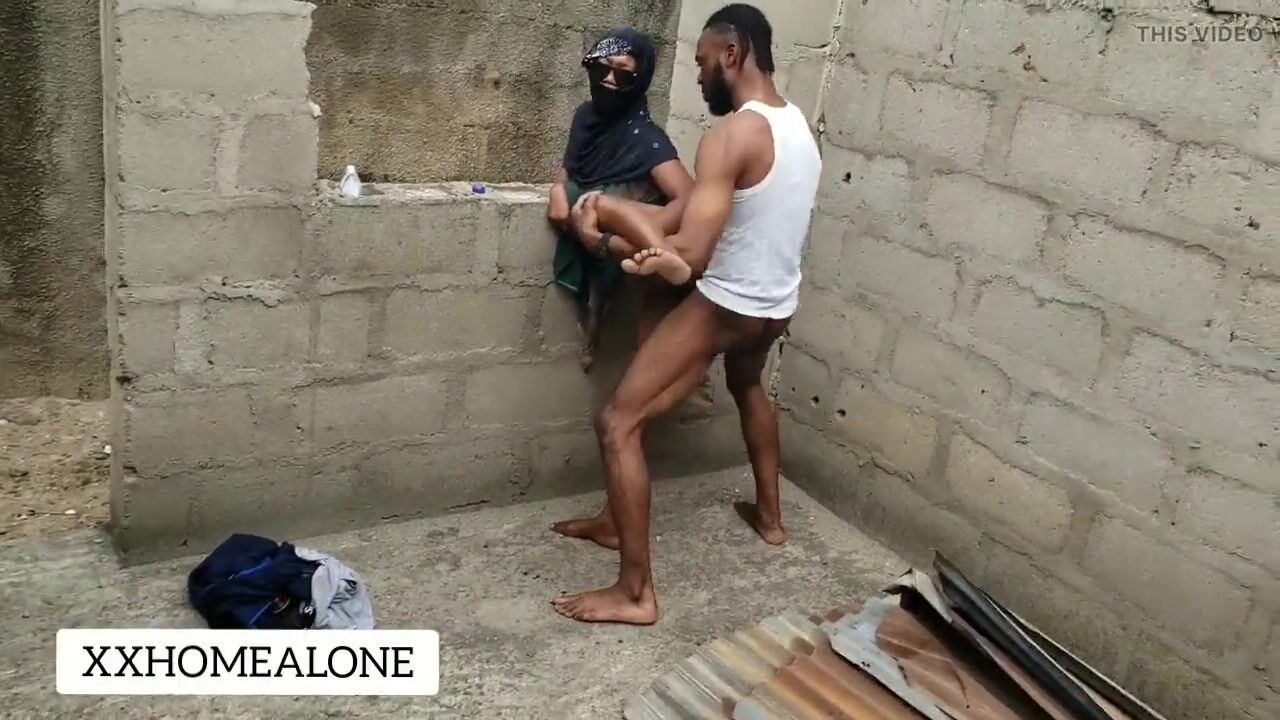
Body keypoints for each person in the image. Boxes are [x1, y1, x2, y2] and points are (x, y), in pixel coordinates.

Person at [551, 3, 823, 625]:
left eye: (702, 63)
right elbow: (722, 218)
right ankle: (771, 519)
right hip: (776, 305)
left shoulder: (730, 136)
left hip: (726, 304)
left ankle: (635, 593)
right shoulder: (797, 126)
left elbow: (692, 254)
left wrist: (614, 242)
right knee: (747, 385)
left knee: (619, 422)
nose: (699, 77)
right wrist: (635, 224)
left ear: (732, 53)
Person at [548, 27, 694, 373]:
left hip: (629, 227)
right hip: (590, 212)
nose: (610, 80)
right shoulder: (586, 117)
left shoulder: (644, 136)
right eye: (603, 68)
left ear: (639, 81)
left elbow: (688, 198)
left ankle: (652, 264)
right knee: (580, 201)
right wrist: (557, 189)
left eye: (624, 73)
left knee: (598, 205)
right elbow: (570, 167)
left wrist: (635, 221)